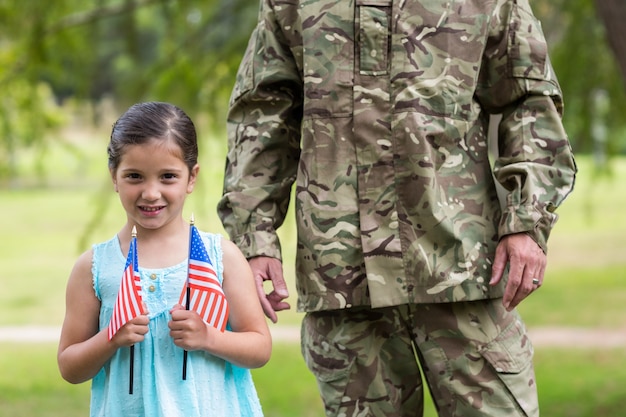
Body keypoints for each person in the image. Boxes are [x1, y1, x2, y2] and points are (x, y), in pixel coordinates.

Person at [220, 0, 578, 416]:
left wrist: (527, 221)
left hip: (460, 268)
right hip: (343, 277)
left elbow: (529, 101)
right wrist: (256, 237)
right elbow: (263, 114)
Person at [58, 101, 271, 417]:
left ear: (191, 177)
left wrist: (209, 337)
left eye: (168, 176)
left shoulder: (220, 257)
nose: (151, 193)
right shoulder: (93, 267)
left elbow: (260, 347)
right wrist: (110, 338)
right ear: (114, 177)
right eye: (134, 176)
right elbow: (69, 366)